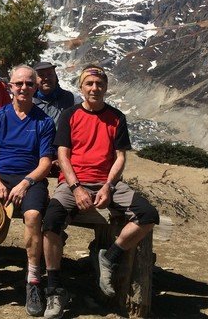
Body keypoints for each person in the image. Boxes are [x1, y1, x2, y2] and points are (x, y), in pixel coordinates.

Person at [41, 65, 159, 319]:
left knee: (148, 215)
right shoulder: (69, 115)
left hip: (107, 183)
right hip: (73, 183)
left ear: (105, 87)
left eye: (99, 84)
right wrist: (76, 187)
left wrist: (108, 185)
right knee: (50, 222)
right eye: (89, 84)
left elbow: (120, 157)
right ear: (81, 88)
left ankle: (110, 256)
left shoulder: (116, 117)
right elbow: (63, 154)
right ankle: (53, 288)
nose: (95, 88)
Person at [0, 65, 55, 316]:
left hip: (30, 180)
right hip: (0, 177)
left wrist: (25, 183)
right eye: (18, 83)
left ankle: (33, 280)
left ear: (36, 87)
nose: (24, 88)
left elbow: (45, 163)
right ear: (10, 86)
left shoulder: (44, 121)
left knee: (32, 217)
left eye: (29, 84)